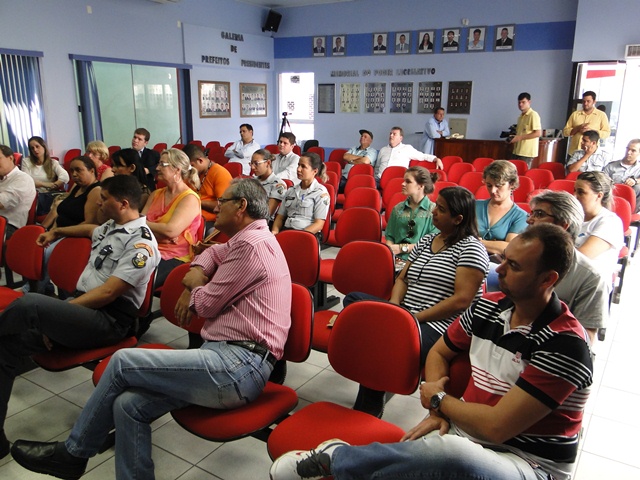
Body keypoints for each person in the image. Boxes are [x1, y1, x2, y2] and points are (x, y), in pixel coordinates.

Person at [10, 178, 292, 480]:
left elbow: (206, 306)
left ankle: (73, 454)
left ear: (241, 207)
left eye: (223, 201)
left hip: (238, 366)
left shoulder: (251, 246)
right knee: (128, 405)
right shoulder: (246, 238)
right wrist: (194, 275)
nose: (216, 206)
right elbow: (210, 254)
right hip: (225, 359)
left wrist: (193, 289)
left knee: (121, 362)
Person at [271, 223, 593, 480]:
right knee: (426, 457)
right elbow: (439, 354)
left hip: (526, 463)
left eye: (514, 266)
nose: (501, 270)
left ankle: (334, 459)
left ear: (547, 279)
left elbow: (498, 427)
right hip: (466, 432)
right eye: (504, 258)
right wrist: (439, 410)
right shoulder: (487, 307)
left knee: (453, 456)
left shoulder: (564, 345)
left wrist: (438, 400)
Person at [0, 175, 159, 460]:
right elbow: (90, 230)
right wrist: (58, 233)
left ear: (122, 204)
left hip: (110, 322)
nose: (98, 200)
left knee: (31, 304)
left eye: (104, 197)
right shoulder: (112, 226)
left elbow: (108, 293)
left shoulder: (142, 244)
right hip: (84, 312)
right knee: (6, 345)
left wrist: (61, 317)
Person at [344, 186, 489, 418]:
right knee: (355, 301)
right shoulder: (428, 239)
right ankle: (375, 338)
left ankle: (367, 408)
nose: (433, 212)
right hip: (406, 312)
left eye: (440, 209)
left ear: (458, 218)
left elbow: (461, 300)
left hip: (438, 325)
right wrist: (393, 307)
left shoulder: (471, 248)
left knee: (382, 341)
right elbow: (402, 278)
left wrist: (412, 319)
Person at [527, 190, 608, 343]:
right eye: (531, 213)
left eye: (539, 214)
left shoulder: (591, 278)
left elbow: (585, 340)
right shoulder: (521, 259)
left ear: (563, 225)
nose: (530, 220)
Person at [142, 148, 201, 287]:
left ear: (177, 170)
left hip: (175, 256)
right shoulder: (155, 194)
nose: (157, 168)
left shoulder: (189, 198)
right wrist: (162, 233)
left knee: (136, 281)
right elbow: (138, 225)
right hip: (148, 247)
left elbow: (170, 231)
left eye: (162, 164)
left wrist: (159, 229)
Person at [573, 171, 624, 290]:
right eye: (574, 190)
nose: (574, 196)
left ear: (599, 195)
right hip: (570, 276)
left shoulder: (611, 222)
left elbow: (580, 258)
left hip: (591, 286)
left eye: (581, 192)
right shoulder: (573, 216)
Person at [385, 167, 439, 261]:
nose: (403, 184)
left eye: (408, 181)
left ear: (420, 186)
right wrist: (391, 252)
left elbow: (433, 243)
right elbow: (390, 236)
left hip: (421, 260)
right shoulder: (398, 208)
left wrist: (401, 248)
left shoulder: (434, 211)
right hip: (396, 259)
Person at [271, 152, 330, 237]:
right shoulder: (291, 190)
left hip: (307, 235)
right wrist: (274, 232)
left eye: (303, 166)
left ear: (315, 171)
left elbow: (319, 224)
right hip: (287, 231)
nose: (298, 169)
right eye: (298, 165)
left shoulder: (320, 193)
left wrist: (298, 236)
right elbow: (280, 217)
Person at [476, 160, 528, 255]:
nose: (493, 190)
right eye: (489, 185)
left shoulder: (521, 216)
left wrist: (477, 242)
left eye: (498, 186)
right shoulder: (475, 206)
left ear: (511, 184)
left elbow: (510, 248)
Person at [183, 144, 232, 234]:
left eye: (191, 166)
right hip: (190, 216)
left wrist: (196, 202)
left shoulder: (220, 173)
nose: (188, 170)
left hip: (211, 221)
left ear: (200, 161)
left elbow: (225, 206)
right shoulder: (192, 174)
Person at [375, 127, 442, 185]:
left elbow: (422, 156)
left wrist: (435, 159)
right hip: (380, 179)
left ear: (400, 138)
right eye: (390, 134)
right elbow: (377, 167)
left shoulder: (407, 148)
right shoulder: (383, 150)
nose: (391, 135)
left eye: (394, 134)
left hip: (398, 180)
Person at [22, 136, 69, 215]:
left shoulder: (53, 162)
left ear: (43, 147)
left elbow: (65, 176)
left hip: (49, 195)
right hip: (33, 196)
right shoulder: (26, 162)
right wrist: (45, 184)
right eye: (32, 148)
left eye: (37, 146)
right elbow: (27, 181)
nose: (35, 150)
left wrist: (55, 184)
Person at [0, 144, 36, 241]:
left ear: (10, 158)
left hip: (9, 227)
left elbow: (2, 203)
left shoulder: (23, 179)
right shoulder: (1, 179)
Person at [562, 91, 611, 156]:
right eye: (584, 101)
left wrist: (591, 131)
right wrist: (578, 128)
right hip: (574, 153)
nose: (585, 103)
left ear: (594, 102)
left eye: (588, 101)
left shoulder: (601, 115)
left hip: (591, 154)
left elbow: (607, 133)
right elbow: (565, 132)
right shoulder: (575, 114)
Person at [603, 139, 640, 211]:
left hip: (630, 203)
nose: (629, 152)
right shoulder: (611, 166)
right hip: (610, 199)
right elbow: (601, 182)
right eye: (627, 149)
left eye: (633, 150)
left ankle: (631, 214)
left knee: (638, 187)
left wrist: (635, 181)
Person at [251, 149, 287, 223]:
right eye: (251, 163)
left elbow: (267, 213)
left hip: (262, 223)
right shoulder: (252, 181)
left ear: (268, 163)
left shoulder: (277, 184)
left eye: (256, 163)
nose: (252, 167)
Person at [508, 92, 542, 168]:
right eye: (519, 102)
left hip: (527, 152)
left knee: (522, 174)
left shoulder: (533, 114)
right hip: (517, 150)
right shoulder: (520, 117)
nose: (520, 104)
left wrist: (519, 138)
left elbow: (538, 133)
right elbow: (521, 133)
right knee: (512, 173)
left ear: (529, 102)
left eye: (523, 102)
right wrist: (513, 137)